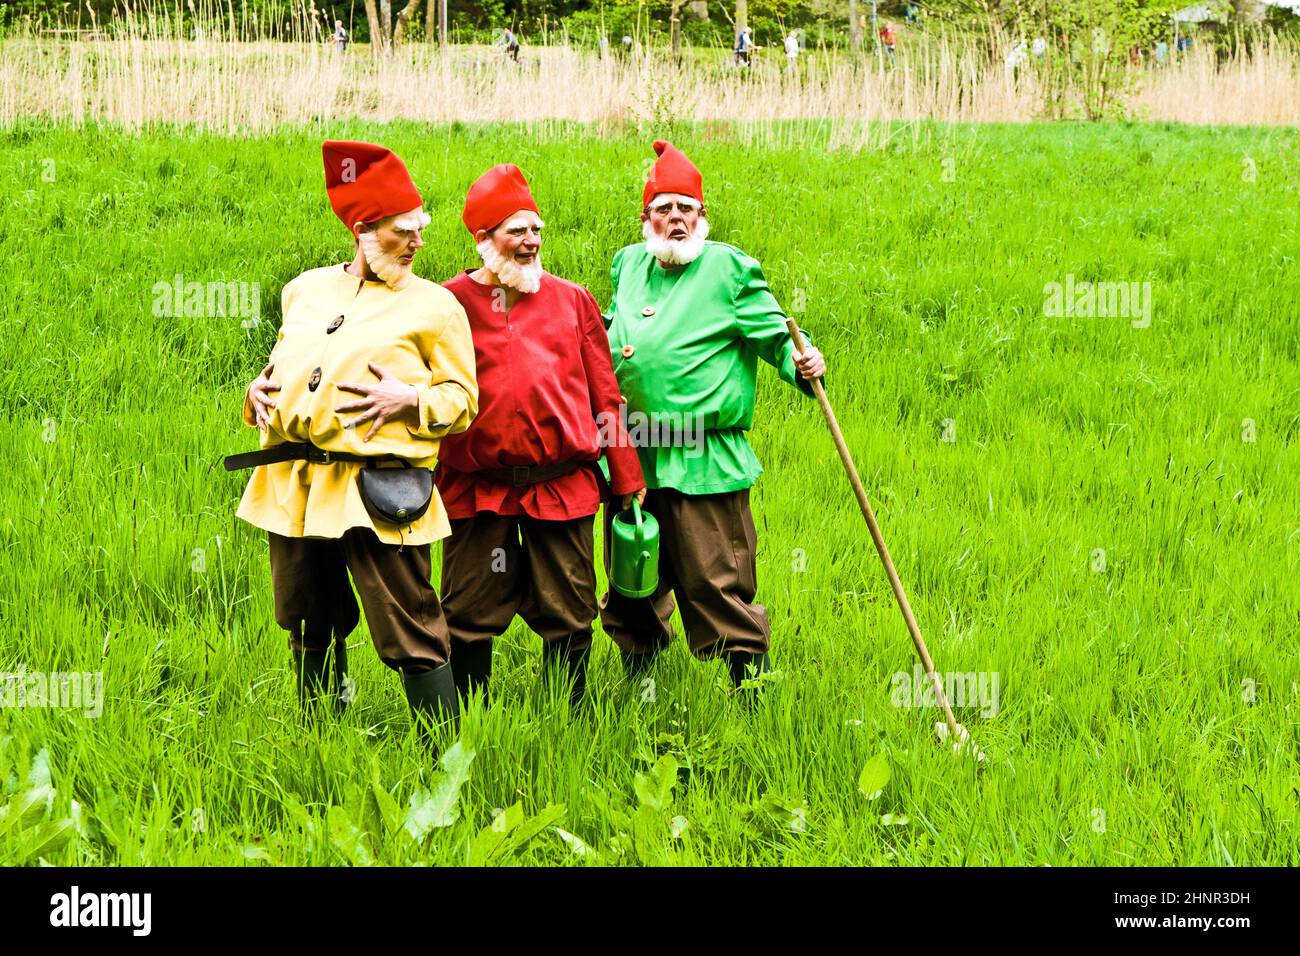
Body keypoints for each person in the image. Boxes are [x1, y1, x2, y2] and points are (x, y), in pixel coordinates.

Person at [231, 140, 478, 741]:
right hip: (295, 481)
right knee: (308, 616)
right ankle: (320, 736)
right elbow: (285, 368)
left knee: (409, 622)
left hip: (380, 484)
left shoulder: (436, 308)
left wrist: (412, 400)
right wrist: (257, 395)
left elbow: (464, 402)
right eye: (404, 231)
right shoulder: (305, 289)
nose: (418, 241)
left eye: (420, 228)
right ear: (364, 231)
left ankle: (444, 753)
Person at [599, 141, 827, 690]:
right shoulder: (629, 263)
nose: (675, 219)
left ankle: (753, 696)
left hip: (703, 456)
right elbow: (614, 329)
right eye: (663, 209)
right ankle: (641, 684)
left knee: (714, 580)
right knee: (634, 576)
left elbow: (777, 335)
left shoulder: (729, 269)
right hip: (634, 453)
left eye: (686, 209)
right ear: (646, 218)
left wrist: (803, 362)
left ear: (702, 217)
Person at [436, 165, 645, 708]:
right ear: (483, 240)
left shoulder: (572, 300)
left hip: (561, 485)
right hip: (479, 488)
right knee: (467, 611)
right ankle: (467, 723)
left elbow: (605, 395)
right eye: (516, 231)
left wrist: (625, 475)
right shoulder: (446, 304)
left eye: (536, 230)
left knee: (569, 609)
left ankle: (564, 721)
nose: (530, 242)